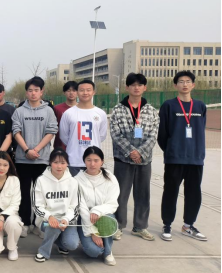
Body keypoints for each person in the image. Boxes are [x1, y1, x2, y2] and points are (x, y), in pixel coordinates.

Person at [158, 70, 208, 242]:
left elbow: (201, 130)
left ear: (193, 85)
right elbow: (162, 134)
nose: (184, 84)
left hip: (195, 159)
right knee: (170, 192)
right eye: (181, 81)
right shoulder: (169, 105)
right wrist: (171, 150)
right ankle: (167, 224)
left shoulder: (200, 106)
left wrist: (197, 151)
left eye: (188, 81)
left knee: (194, 193)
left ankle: (188, 225)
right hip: (175, 158)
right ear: (175, 85)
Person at [111, 73, 159, 242]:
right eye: (133, 85)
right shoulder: (118, 110)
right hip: (123, 159)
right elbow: (116, 134)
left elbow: (153, 135)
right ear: (127, 87)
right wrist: (131, 152)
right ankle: (118, 226)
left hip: (144, 161)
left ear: (145, 88)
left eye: (140, 85)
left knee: (143, 194)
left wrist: (141, 153)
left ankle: (140, 226)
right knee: (120, 194)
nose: (136, 88)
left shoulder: (151, 111)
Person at [12, 76, 58, 237]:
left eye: (36, 90)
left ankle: (38, 224)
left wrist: (36, 149)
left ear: (41, 92)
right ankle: (25, 223)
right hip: (22, 159)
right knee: (24, 193)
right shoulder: (19, 111)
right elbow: (16, 131)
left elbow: (51, 131)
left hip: (42, 159)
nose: (33, 93)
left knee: (41, 194)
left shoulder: (48, 111)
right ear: (26, 92)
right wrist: (26, 150)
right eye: (30, 90)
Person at [32, 149, 80, 263]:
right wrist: (49, 217)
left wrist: (66, 219)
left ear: (67, 164)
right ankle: (43, 251)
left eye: (63, 163)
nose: (59, 166)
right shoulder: (41, 180)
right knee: (53, 226)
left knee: (72, 244)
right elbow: (37, 206)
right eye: (55, 162)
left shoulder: (73, 182)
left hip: (67, 221)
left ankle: (59, 242)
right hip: (46, 221)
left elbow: (75, 207)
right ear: (50, 163)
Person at [75, 147, 120, 266]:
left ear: (102, 162)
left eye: (96, 160)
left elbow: (112, 203)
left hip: (103, 215)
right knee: (94, 252)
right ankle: (90, 239)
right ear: (84, 161)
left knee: (109, 217)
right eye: (89, 160)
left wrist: (97, 211)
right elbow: (81, 208)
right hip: (85, 218)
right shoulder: (77, 180)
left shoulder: (110, 178)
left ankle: (108, 252)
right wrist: (93, 232)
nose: (92, 164)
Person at [59, 80, 108, 176]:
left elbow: (101, 136)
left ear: (93, 92)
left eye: (88, 90)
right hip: (74, 161)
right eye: (82, 90)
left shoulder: (100, 113)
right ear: (77, 92)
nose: (85, 93)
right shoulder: (68, 113)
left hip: (93, 161)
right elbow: (64, 136)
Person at [53, 81, 78, 150]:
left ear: (78, 92)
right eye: (68, 91)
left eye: (74, 90)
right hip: (60, 145)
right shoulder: (57, 108)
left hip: (77, 145)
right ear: (64, 93)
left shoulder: (82, 109)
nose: (71, 93)